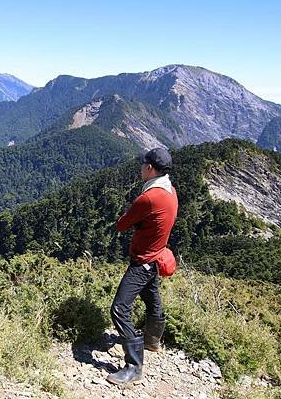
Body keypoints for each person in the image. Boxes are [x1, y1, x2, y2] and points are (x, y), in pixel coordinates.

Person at [106, 147, 179, 385]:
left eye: (142, 164)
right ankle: (152, 340)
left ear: (149, 168)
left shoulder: (149, 196)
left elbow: (121, 224)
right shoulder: (170, 191)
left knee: (119, 308)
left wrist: (134, 223)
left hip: (144, 261)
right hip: (157, 257)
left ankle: (134, 366)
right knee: (152, 297)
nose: (140, 168)